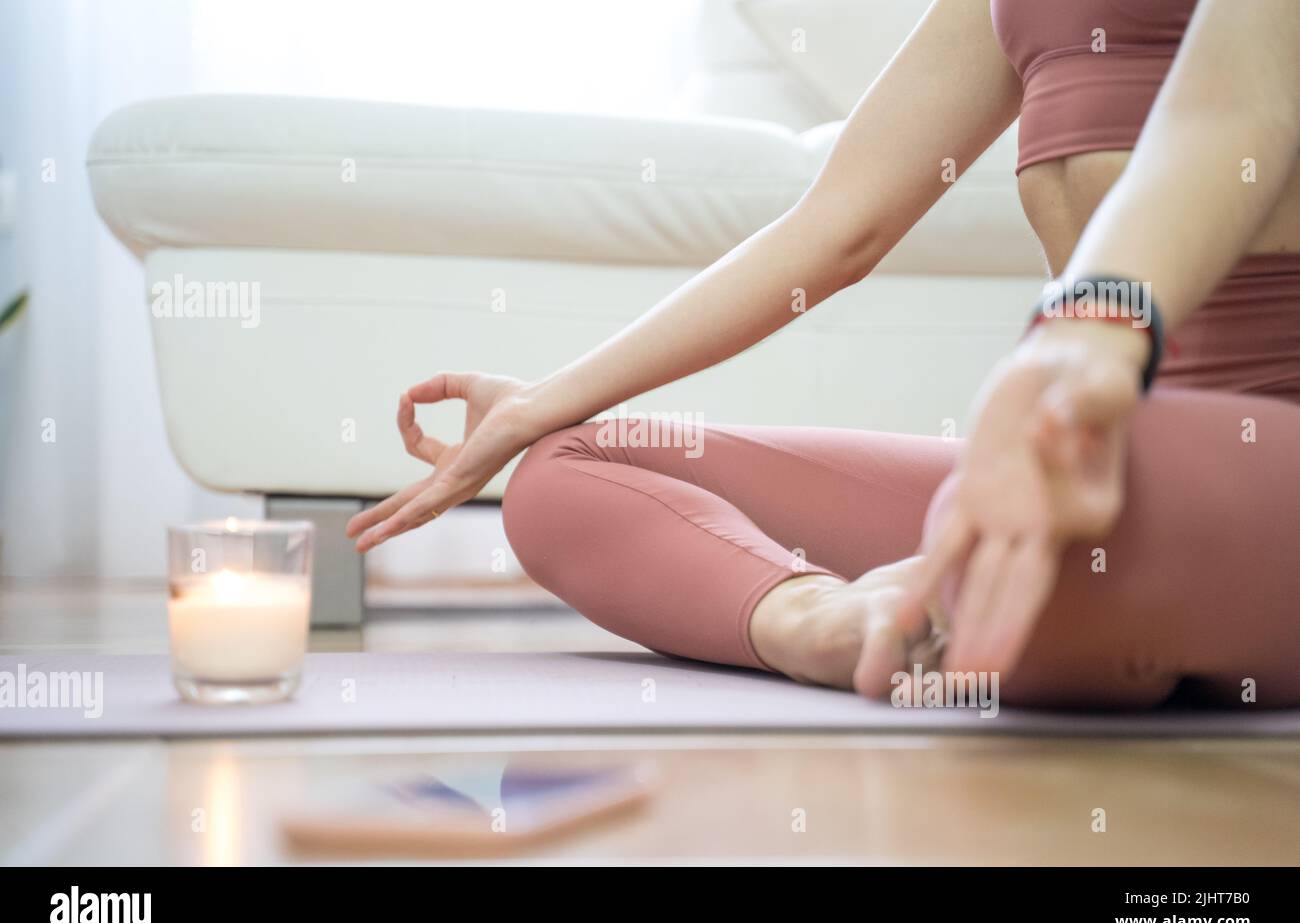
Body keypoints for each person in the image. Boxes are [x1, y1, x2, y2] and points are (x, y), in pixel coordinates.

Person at [347, 0, 1300, 709]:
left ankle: (977, 604)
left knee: (1067, 549)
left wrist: (1087, 340)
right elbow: (834, 226)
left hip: (1253, 460)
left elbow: (1229, 118)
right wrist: (537, 406)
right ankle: (830, 626)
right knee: (564, 472)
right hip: (1072, 449)